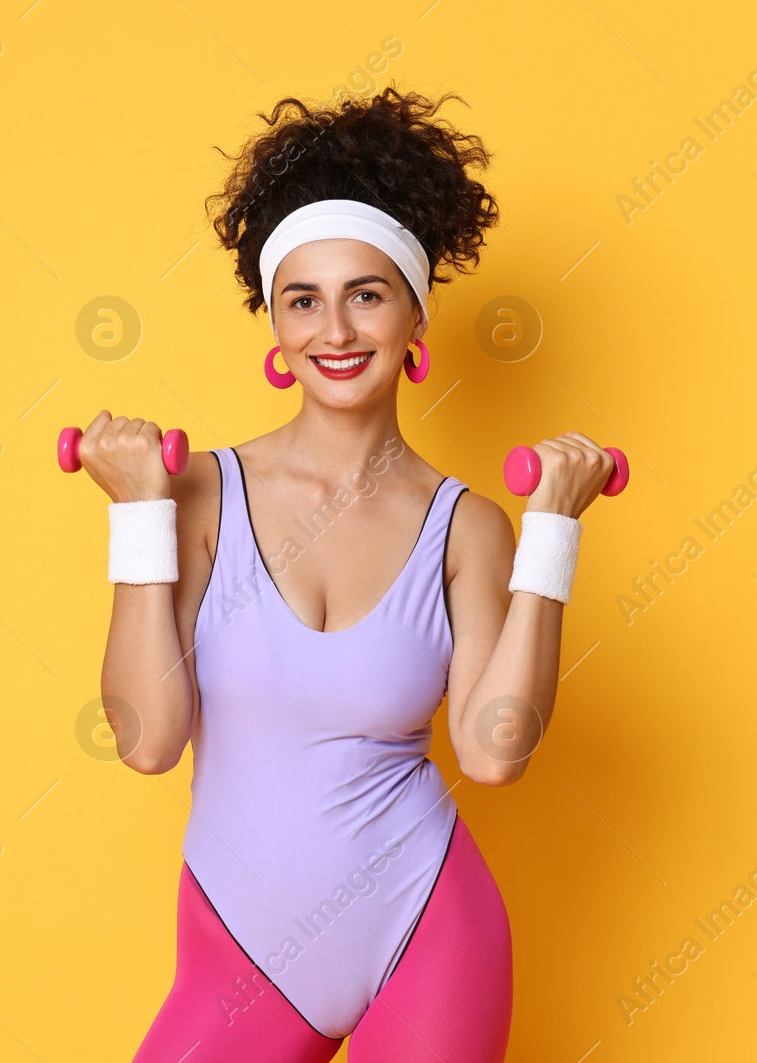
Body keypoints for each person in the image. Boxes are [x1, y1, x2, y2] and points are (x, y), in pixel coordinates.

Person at [78, 87, 616, 1061]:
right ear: (277, 332)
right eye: (303, 298)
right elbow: (148, 739)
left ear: (413, 315)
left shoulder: (468, 530)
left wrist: (551, 536)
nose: (336, 329)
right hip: (242, 945)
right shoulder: (194, 494)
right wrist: (136, 516)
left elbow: (493, 753)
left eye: (366, 293)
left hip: (426, 927)